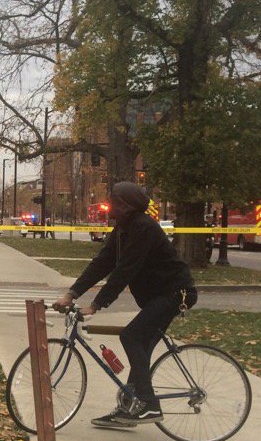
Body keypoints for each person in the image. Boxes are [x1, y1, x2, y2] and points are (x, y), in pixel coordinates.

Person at [52, 182, 198, 427]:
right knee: (140, 346)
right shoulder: (123, 228)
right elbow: (103, 262)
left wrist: (97, 304)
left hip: (175, 293)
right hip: (157, 295)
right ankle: (129, 408)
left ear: (126, 205)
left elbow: (126, 270)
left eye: (114, 200)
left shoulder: (144, 228)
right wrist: (72, 293)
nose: (109, 204)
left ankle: (149, 405)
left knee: (130, 337)